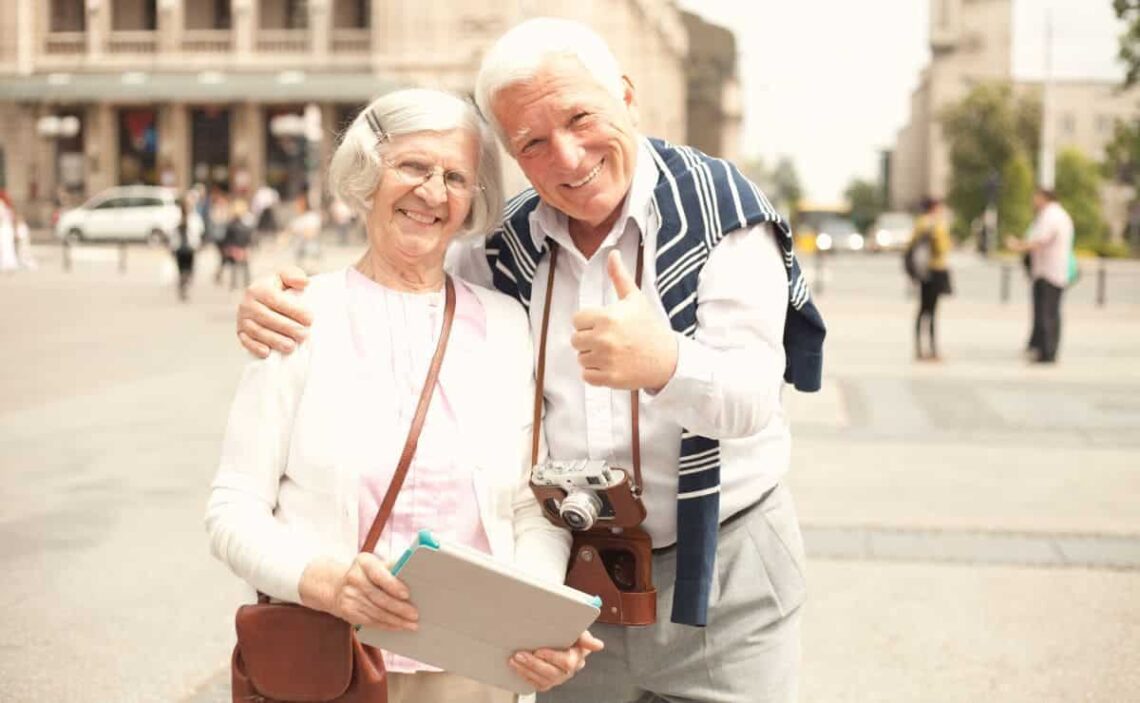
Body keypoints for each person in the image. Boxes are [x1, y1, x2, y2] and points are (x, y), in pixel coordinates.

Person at [234, 18, 825, 703]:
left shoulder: (726, 212)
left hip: (724, 570)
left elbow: (754, 397)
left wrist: (664, 361)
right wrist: (275, 297)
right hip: (578, 576)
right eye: (533, 144)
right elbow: (401, 263)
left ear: (626, 97)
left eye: (581, 118)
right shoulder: (504, 244)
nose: (568, 159)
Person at [206, 88, 600, 703]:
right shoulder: (298, 315)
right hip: (331, 660)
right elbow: (233, 509)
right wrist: (322, 580)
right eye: (413, 167)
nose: (433, 193)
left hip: (473, 673)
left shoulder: (505, 324)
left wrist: (534, 623)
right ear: (368, 173)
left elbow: (529, 507)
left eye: (455, 177)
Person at [1006, 188, 1074, 364]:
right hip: (1051, 271)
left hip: (1048, 272)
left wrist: (1017, 246)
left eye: (1035, 197)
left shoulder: (1051, 216)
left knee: (1047, 313)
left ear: (1044, 198)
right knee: (1049, 313)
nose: (1033, 201)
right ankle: (1044, 349)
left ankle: (1047, 352)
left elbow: (1040, 241)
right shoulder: (1057, 215)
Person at [907, 196, 953, 361]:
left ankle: (921, 348)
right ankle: (931, 349)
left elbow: (910, 246)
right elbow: (943, 247)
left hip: (924, 271)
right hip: (934, 270)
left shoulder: (921, 223)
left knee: (924, 310)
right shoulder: (934, 224)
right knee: (930, 310)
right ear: (934, 208)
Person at [170, 194, 205, 301]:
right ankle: (184, 283)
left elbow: (170, 233)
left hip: (180, 248)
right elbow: (200, 232)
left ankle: (183, 283)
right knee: (188, 270)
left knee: (182, 269)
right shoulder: (193, 218)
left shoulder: (175, 217)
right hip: (189, 248)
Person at [222, 198, 255, 290]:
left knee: (236, 266)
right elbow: (250, 235)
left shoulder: (231, 224)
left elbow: (227, 237)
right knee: (245, 266)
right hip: (243, 246)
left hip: (236, 246)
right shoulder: (247, 222)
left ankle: (234, 283)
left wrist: (227, 247)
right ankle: (246, 282)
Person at [289, 193, 322, 270]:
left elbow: (312, 233)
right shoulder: (297, 219)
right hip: (298, 252)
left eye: (298, 204)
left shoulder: (312, 216)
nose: (295, 206)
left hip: (310, 252)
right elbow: (288, 232)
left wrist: (299, 232)